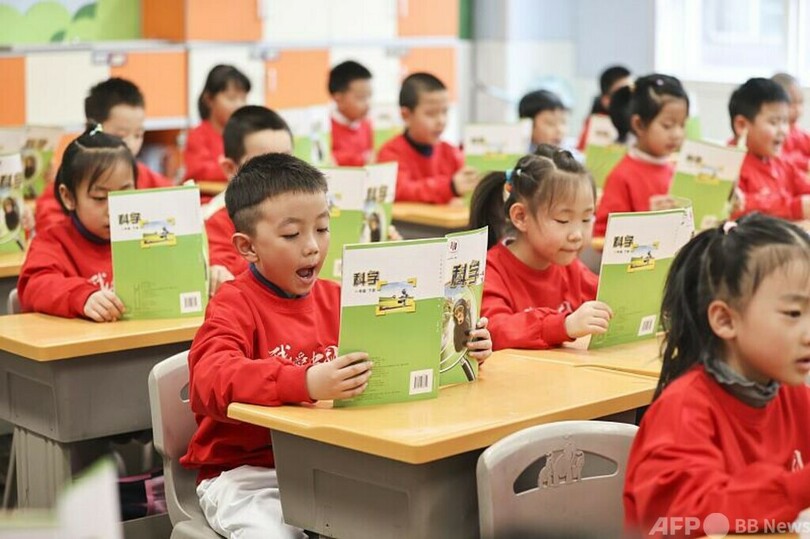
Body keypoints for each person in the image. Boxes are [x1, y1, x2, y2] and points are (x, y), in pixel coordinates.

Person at [181, 153, 493, 537]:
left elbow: (402, 355)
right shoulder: (233, 303)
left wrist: (461, 346)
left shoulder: (342, 298)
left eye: (323, 228)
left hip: (332, 464)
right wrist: (305, 382)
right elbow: (208, 379)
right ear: (247, 247)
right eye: (292, 235)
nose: (312, 246)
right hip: (248, 475)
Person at [624, 214, 810, 537]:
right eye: (794, 313)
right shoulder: (683, 410)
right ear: (725, 320)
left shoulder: (793, 394)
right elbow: (694, 516)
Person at [472, 148, 612, 350]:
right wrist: (564, 325)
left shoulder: (570, 267)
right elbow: (496, 330)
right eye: (563, 220)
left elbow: (609, 297)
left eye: (586, 219)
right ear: (521, 217)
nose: (577, 234)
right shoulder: (489, 271)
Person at [18, 126, 135, 321]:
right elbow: (34, 285)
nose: (114, 210)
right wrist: (81, 296)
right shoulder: (53, 242)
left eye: (125, 194)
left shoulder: (143, 236)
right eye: (99, 198)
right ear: (68, 197)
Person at [35, 78, 172, 231]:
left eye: (138, 135)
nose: (131, 145)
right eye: (120, 136)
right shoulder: (72, 175)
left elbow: (175, 201)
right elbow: (49, 224)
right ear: (92, 129)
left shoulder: (145, 175)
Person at [594, 74, 689, 237]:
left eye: (682, 125)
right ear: (639, 124)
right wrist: (647, 221)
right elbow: (602, 236)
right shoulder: (622, 176)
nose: (677, 134)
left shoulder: (676, 169)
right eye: (667, 126)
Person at [377, 72, 478, 203]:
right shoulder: (390, 153)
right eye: (431, 114)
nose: (441, 121)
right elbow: (400, 191)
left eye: (445, 111)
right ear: (406, 115)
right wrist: (450, 187)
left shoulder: (451, 153)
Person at [728, 77, 810, 220]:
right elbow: (737, 207)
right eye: (774, 122)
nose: (783, 130)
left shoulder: (780, 162)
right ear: (742, 125)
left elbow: (803, 185)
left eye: (785, 121)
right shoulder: (730, 166)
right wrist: (795, 207)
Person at [184, 64, 251, 182]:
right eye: (231, 98)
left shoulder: (246, 135)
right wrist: (241, 168)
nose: (239, 105)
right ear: (209, 99)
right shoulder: (197, 135)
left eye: (243, 98)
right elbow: (200, 172)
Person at [329, 60, 374, 166]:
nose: (368, 104)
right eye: (361, 98)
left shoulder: (366, 125)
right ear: (339, 99)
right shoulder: (327, 129)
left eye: (369, 96)